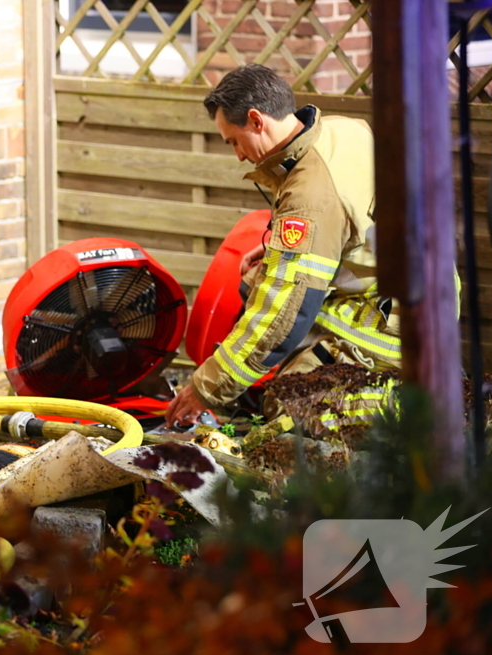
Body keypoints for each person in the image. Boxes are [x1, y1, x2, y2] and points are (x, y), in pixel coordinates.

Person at [165, 64, 401, 433]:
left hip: (388, 326)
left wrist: (205, 389)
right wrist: (279, 250)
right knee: (259, 279)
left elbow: (283, 315)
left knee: (288, 405)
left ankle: (415, 404)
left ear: (257, 120)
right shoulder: (344, 130)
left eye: (233, 140)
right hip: (410, 293)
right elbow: (353, 221)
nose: (239, 156)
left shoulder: (309, 195)